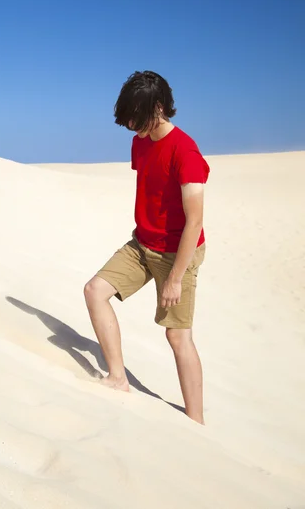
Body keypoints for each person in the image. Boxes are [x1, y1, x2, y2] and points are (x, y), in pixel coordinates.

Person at [84, 70, 210, 424]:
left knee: (177, 336)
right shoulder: (140, 141)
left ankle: (197, 423)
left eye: (136, 118)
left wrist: (173, 278)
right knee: (95, 291)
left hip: (177, 252)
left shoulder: (186, 151)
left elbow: (195, 221)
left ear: (157, 107)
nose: (131, 126)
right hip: (143, 243)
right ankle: (117, 378)